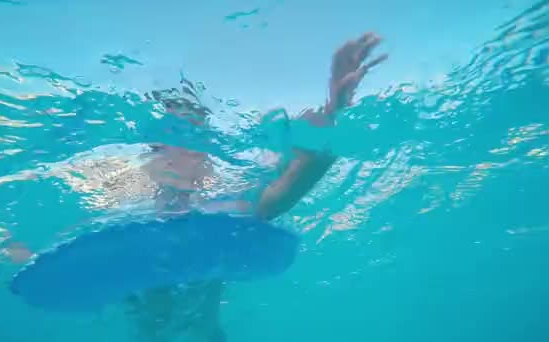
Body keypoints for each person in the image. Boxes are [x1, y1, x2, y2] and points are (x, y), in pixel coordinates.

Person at [122, 32, 387, 341]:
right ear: (152, 149)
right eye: (172, 138)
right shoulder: (125, 211)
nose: (189, 151)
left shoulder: (219, 209)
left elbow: (288, 186)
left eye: (198, 139)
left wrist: (334, 110)